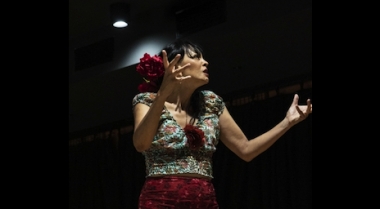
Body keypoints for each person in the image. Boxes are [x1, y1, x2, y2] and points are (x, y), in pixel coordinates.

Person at [132, 38, 312, 209]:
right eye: (196, 57)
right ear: (175, 66)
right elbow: (141, 144)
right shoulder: (146, 101)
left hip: (204, 199)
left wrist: (287, 122)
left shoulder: (211, 102)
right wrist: (162, 94)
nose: (205, 62)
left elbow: (246, 150)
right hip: (160, 199)